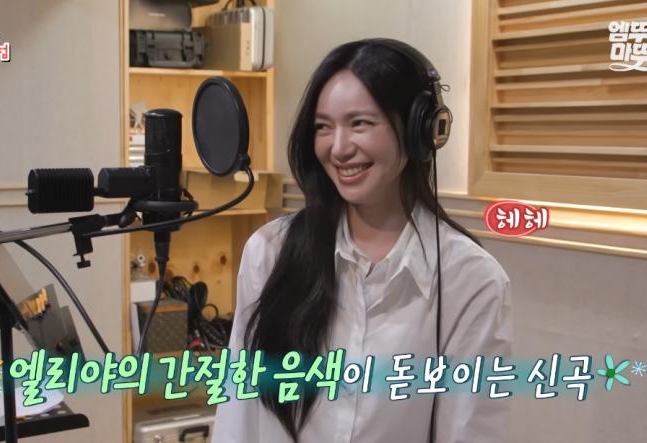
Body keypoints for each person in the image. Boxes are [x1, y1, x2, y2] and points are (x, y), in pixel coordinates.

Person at [212, 38, 512, 443]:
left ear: (419, 129)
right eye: (323, 127)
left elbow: (468, 431)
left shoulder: (470, 280)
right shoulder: (270, 252)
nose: (338, 148)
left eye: (360, 124)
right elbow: (238, 415)